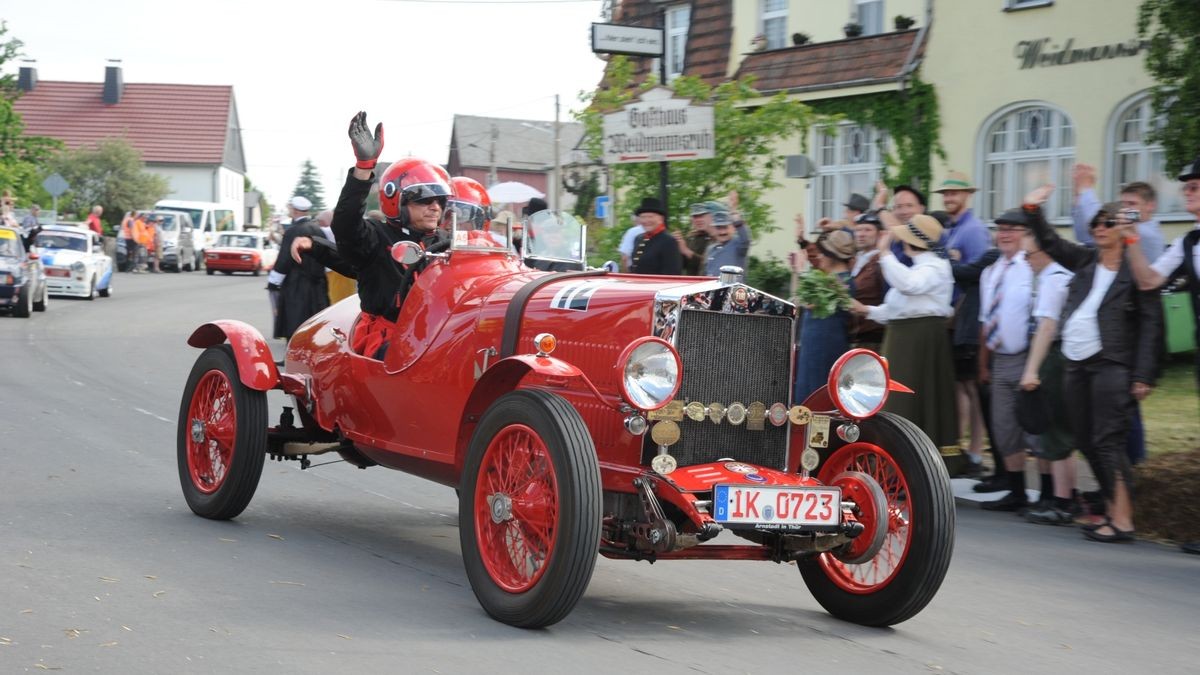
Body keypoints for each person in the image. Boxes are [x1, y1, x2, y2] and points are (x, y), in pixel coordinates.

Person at [1026, 185, 1162, 543]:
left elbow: (1151, 322)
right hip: (1077, 364)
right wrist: (1032, 210)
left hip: (1112, 364)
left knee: (1107, 440)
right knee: (1085, 438)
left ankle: (1123, 520)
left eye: (1108, 223)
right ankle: (1113, 509)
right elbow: (1052, 244)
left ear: (1123, 229)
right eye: (1096, 223)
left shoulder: (1136, 273)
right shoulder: (1086, 261)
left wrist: (1145, 373)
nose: (1099, 228)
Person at [292, 112, 451, 359]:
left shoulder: (445, 242)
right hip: (388, 339)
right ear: (396, 200)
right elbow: (346, 227)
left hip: (436, 336)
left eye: (439, 201)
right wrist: (364, 169)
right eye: (424, 200)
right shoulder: (377, 235)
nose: (435, 208)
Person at [849, 211, 958, 451]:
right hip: (905, 338)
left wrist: (886, 254)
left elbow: (909, 285)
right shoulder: (919, 266)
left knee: (905, 401)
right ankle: (898, 456)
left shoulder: (935, 267)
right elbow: (897, 308)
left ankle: (911, 456)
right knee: (898, 399)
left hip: (919, 340)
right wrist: (865, 310)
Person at [932, 172, 993, 476]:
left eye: (954, 194)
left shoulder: (973, 231)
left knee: (970, 385)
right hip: (955, 318)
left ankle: (975, 451)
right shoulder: (954, 228)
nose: (948, 199)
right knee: (960, 386)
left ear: (967, 195)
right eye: (945, 194)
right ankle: (961, 448)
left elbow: (980, 273)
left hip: (968, 316)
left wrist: (951, 264)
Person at [975, 208, 1036, 512]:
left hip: (1028, 356)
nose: (1006, 235)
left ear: (1026, 233)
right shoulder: (991, 272)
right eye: (1001, 229)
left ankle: (1053, 494)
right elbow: (986, 321)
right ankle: (1017, 491)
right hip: (1000, 358)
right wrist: (983, 363)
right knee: (1003, 426)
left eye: (1013, 229)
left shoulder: (1032, 268)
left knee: (1036, 426)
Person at [1019, 230, 1078, 525]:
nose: (1026, 260)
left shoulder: (1053, 280)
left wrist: (1031, 368)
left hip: (1054, 356)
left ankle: (1062, 501)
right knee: (1059, 431)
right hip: (1062, 354)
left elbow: (1046, 327)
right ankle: (1066, 497)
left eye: (1029, 254)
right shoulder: (1059, 276)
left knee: (1054, 431)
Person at [793, 229, 855, 402]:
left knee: (817, 393)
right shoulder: (834, 278)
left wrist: (799, 271)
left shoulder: (840, 281)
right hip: (816, 344)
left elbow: (807, 300)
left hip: (823, 346)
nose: (818, 256)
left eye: (821, 252)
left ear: (830, 255)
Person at [1072, 164, 1165, 262]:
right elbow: (1083, 236)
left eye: (1132, 204)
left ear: (1150, 206)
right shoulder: (1122, 228)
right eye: (1123, 203)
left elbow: (1097, 217)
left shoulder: (1148, 233)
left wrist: (1086, 188)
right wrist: (1078, 194)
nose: (1125, 208)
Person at [269, 195, 330, 339]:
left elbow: (284, 259)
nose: (289, 210)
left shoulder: (293, 231)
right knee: (314, 325)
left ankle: (293, 358)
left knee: (295, 323)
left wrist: (273, 282)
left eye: (290, 207)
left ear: (295, 211)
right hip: (318, 284)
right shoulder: (318, 230)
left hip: (297, 284)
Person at [848, 211, 886, 352]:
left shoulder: (882, 262)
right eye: (858, 230)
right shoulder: (853, 260)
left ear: (880, 234)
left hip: (873, 338)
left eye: (867, 230)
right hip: (854, 336)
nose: (861, 234)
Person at [703, 192, 752, 276]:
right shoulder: (711, 249)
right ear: (714, 229)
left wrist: (733, 210)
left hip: (732, 289)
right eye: (719, 228)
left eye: (725, 227)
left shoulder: (738, 245)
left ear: (733, 228)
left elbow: (745, 238)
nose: (722, 232)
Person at [629, 197, 681, 275]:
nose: (646, 221)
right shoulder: (639, 238)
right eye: (643, 217)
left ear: (661, 219)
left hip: (657, 286)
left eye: (650, 217)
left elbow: (672, 273)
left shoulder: (668, 241)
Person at [317, 209, 357, 305]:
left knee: (339, 301)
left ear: (322, 222)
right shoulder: (344, 229)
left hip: (337, 272)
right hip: (346, 271)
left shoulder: (329, 230)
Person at [677, 201, 717, 275]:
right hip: (692, 283)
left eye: (701, 216)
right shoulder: (691, 237)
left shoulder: (718, 236)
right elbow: (683, 265)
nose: (698, 220)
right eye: (695, 217)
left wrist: (686, 251)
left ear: (710, 217)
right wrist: (678, 248)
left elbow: (710, 263)